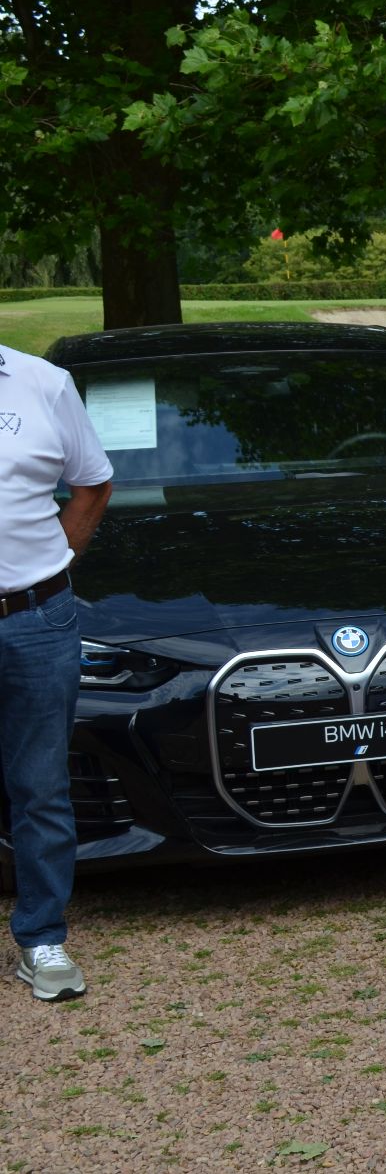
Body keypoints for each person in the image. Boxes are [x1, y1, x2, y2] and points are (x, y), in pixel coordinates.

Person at [0, 341, 113, 1002]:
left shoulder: (43, 383)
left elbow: (93, 482)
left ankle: (41, 938)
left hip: (36, 618)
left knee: (40, 787)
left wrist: (53, 564)